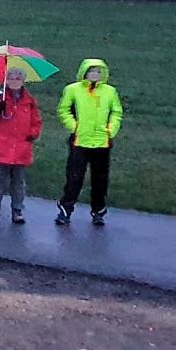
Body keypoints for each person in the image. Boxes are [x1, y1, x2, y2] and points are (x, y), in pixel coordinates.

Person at [55, 58, 124, 227]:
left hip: (102, 142)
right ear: (84, 73)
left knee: (100, 180)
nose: (95, 74)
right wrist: (74, 127)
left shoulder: (110, 91)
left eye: (98, 72)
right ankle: (65, 210)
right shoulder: (72, 90)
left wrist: (111, 129)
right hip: (80, 141)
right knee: (74, 178)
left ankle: (98, 212)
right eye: (91, 71)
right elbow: (63, 110)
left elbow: (116, 112)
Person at [0, 70, 42, 224]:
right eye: (10, 78)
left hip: (21, 148)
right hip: (1, 147)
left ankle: (17, 210)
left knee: (18, 182)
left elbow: (36, 122)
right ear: (6, 81)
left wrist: (32, 133)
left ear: (23, 81)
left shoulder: (29, 101)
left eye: (18, 78)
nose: (14, 81)